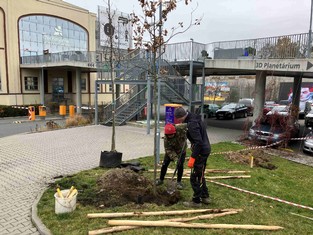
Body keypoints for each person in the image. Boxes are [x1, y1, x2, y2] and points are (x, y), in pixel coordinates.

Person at [174, 107, 211, 207]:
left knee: (194, 177)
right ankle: (205, 196)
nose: (178, 121)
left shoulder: (192, 124)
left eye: (178, 119)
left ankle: (196, 201)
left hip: (200, 152)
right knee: (200, 174)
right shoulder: (194, 117)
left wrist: (193, 157)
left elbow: (198, 141)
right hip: (205, 149)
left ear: (181, 117)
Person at [156, 123, 187, 190]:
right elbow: (169, 150)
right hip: (171, 151)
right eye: (169, 135)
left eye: (172, 134)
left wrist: (188, 132)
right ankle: (161, 180)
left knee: (180, 165)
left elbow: (188, 124)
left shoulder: (180, 128)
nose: (170, 136)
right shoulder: (166, 140)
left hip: (181, 150)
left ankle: (179, 182)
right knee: (164, 164)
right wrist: (176, 159)